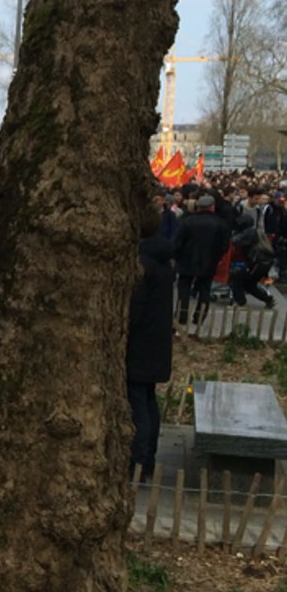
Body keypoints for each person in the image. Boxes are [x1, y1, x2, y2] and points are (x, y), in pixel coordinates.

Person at [127, 207, 172, 478]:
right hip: (157, 344)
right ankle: (148, 458)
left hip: (140, 346)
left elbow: (136, 310)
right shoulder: (164, 262)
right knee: (148, 400)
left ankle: (138, 462)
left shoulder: (143, 265)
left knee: (138, 405)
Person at [173, 194, 232, 328]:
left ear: (198, 207)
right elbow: (224, 246)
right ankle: (199, 317)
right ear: (212, 207)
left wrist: (177, 256)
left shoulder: (187, 221)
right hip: (209, 262)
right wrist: (216, 257)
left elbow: (178, 242)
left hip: (186, 260)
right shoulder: (221, 223)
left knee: (184, 289)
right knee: (205, 289)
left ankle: (182, 315)